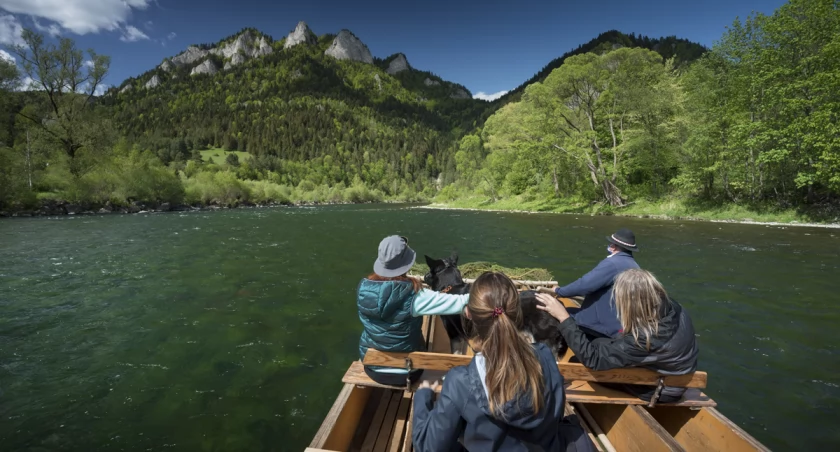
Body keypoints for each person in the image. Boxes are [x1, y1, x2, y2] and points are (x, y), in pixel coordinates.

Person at [412, 272, 594, 452]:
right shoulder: (546, 357)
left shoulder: (459, 381)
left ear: (468, 314)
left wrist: (423, 395)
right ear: (517, 313)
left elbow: (429, 447)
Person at [535, 269, 698, 403]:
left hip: (659, 388)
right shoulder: (673, 307)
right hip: (672, 374)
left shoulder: (644, 338)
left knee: (578, 360)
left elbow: (593, 360)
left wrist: (563, 317)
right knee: (593, 340)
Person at [358, 235, 471, 386]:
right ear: (407, 264)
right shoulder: (416, 295)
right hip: (408, 372)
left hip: (372, 368)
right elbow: (461, 301)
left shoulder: (363, 289)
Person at [552, 228, 640, 338]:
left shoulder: (612, 263)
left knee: (556, 313)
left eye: (610, 243)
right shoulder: (635, 267)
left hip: (602, 325)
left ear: (613, 246)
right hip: (622, 324)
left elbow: (584, 285)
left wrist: (559, 291)